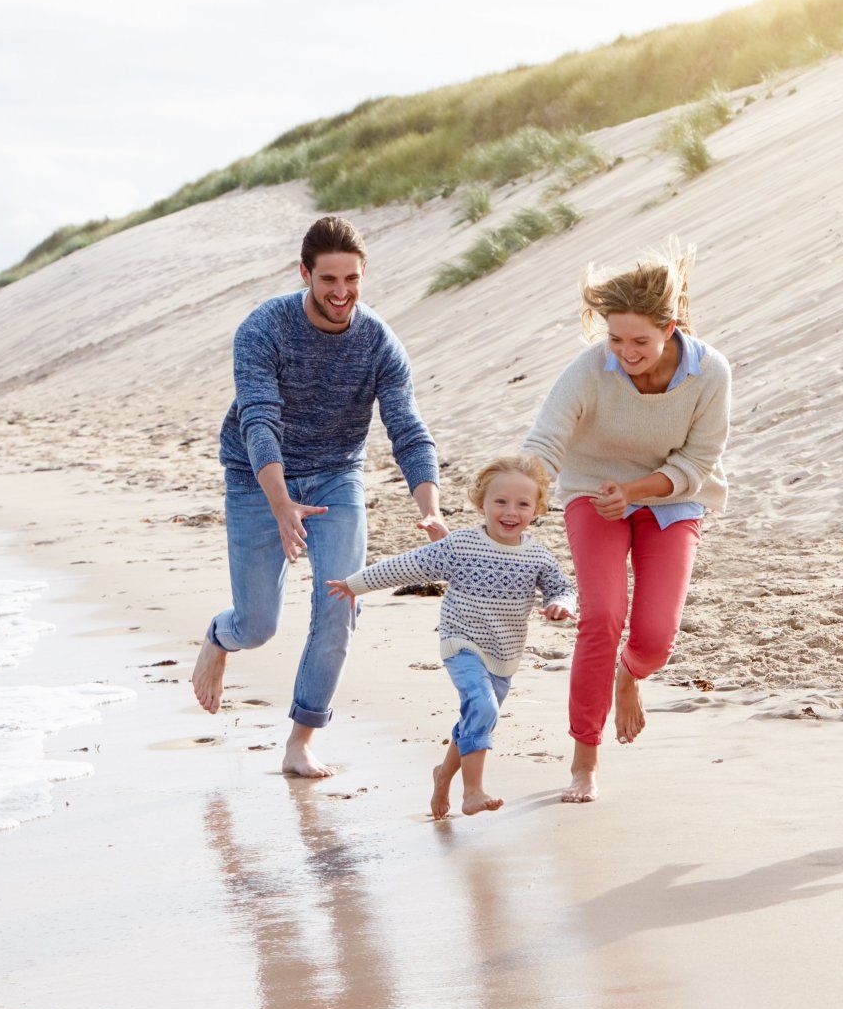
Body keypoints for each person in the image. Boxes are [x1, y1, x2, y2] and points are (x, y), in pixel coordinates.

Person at [192, 216, 447, 778]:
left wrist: (429, 507)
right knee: (258, 626)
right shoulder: (265, 328)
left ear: (363, 274)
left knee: (340, 604)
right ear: (304, 272)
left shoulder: (378, 342)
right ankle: (219, 636)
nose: (340, 292)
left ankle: (301, 739)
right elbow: (259, 420)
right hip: (257, 478)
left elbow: (408, 428)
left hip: (335, 475)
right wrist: (280, 502)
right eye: (328, 278)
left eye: (351, 279)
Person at [522, 243, 730, 803]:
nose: (625, 352)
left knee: (656, 641)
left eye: (640, 340)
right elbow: (546, 439)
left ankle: (630, 675)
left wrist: (636, 491)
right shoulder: (591, 369)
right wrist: (522, 493)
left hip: (671, 498)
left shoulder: (709, 372)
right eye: (615, 338)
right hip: (593, 493)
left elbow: (697, 463)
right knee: (602, 618)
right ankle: (584, 759)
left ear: (671, 325)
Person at [326, 456, 575, 817]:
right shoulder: (459, 546)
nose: (511, 511)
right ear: (481, 504)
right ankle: (472, 791)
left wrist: (561, 605)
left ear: (537, 509)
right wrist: (354, 584)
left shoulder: (537, 556)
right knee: (483, 707)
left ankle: (443, 775)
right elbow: (407, 565)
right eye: (500, 501)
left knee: (477, 716)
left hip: (504, 653)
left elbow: (561, 587)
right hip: (462, 643)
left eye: (523, 504)